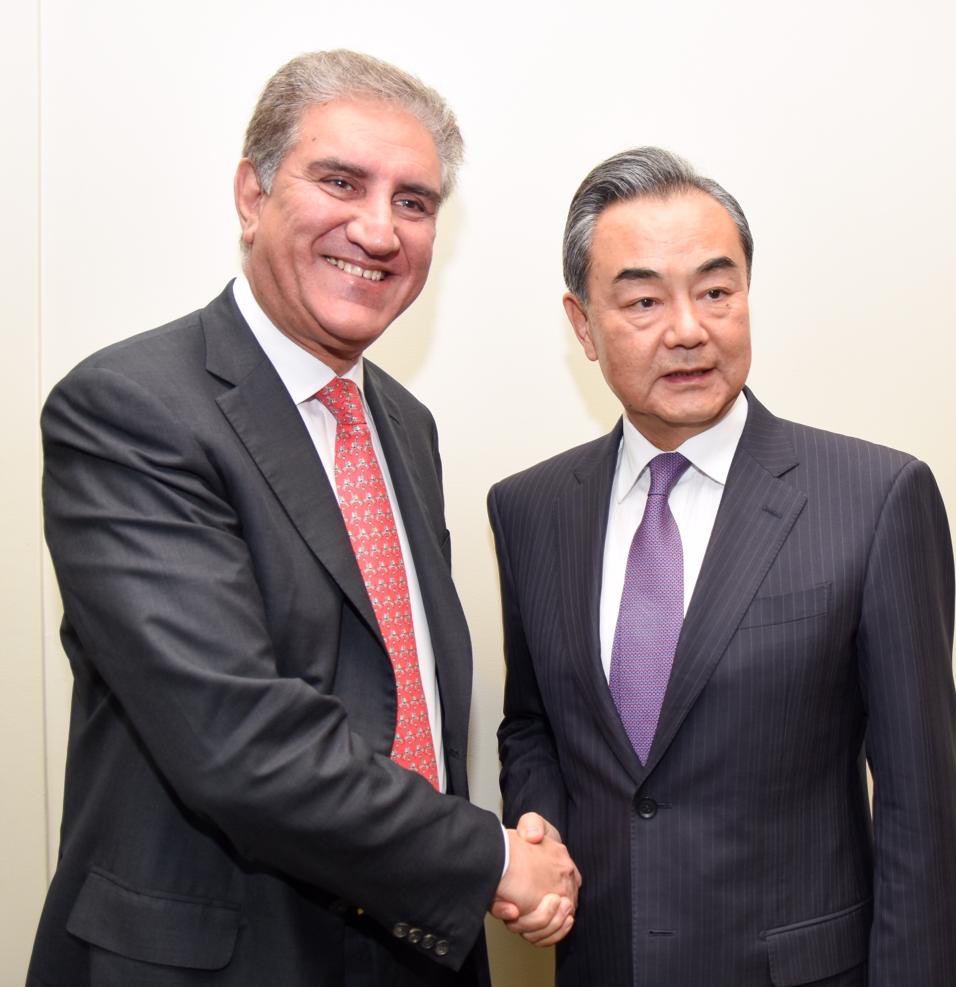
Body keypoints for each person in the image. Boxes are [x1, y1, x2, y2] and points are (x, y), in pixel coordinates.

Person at [28, 49, 577, 987]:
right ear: (252, 195)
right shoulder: (128, 408)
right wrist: (487, 857)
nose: (378, 228)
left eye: (414, 201)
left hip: (409, 946)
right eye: (340, 182)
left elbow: (397, 695)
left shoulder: (404, 425)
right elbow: (236, 736)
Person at [488, 146, 956, 986]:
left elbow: (920, 823)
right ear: (582, 325)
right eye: (643, 299)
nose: (688, 328)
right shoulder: (530, 510)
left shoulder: (876, 498)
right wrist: (540, 830)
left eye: (717, 290)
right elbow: (532, 721)